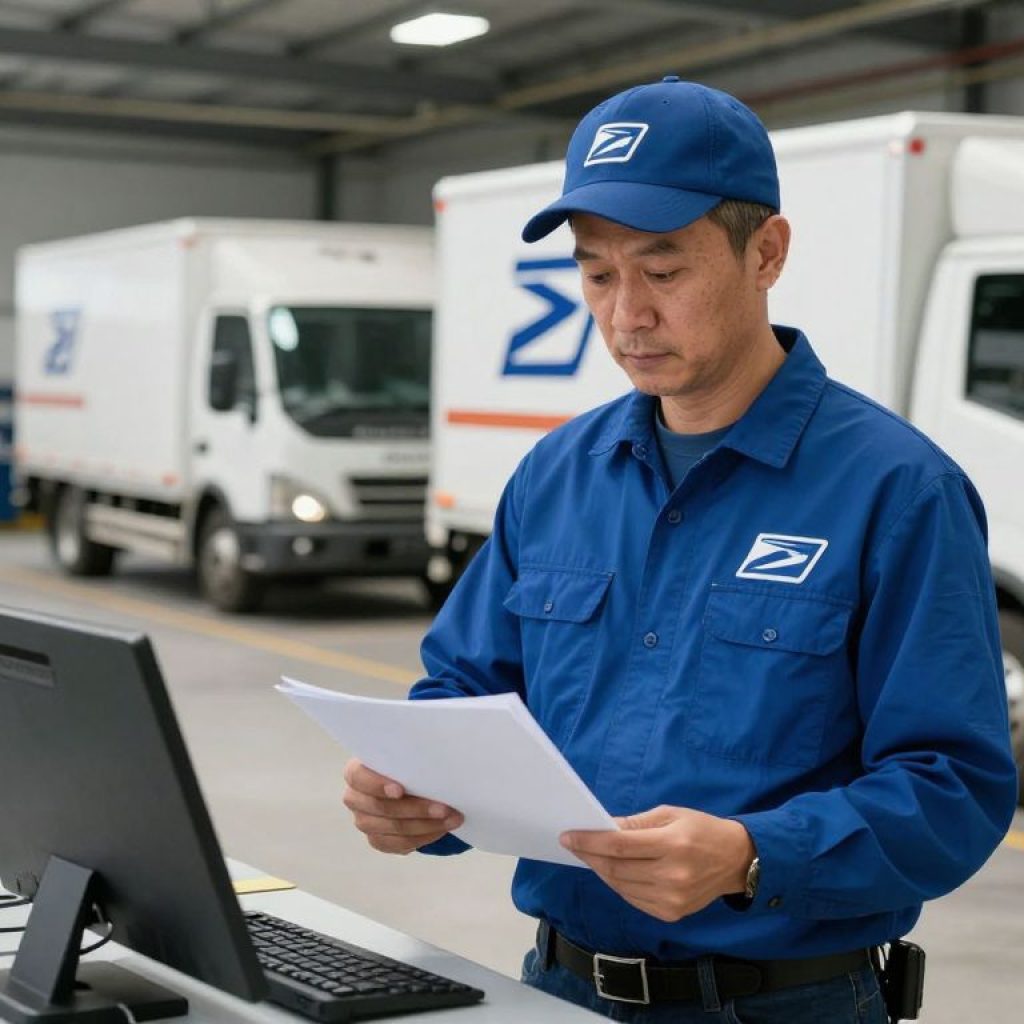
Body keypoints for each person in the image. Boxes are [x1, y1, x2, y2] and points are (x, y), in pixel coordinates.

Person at [342, 77, 1018, 1023]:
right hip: (561, 986)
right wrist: (410, 795)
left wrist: (753, 856)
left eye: (664, 273)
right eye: (597, 274)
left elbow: (956, 788)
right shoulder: (557, 475)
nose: (627, 316)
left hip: (785, 1004)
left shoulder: (898, 491)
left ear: (766, 253)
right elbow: (464, 692)